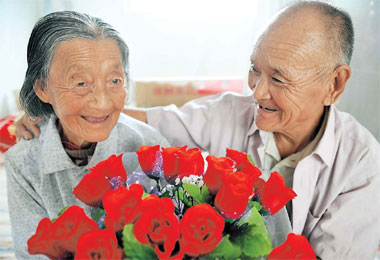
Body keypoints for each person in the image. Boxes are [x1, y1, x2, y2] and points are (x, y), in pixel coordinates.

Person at [15, 1, 380, 259]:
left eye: (279, 78)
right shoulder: (225, 113)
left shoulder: (361, 162)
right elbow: (144, 119)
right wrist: (50, 112)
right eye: (255, 69)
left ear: (335, 84)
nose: (257, 90)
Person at [5, 11, 169, 259]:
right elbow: (31, 253)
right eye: (81, 83)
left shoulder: (148, 145)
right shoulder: (23, 162)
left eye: (115, 80)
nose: (102, 103)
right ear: (42, 88)